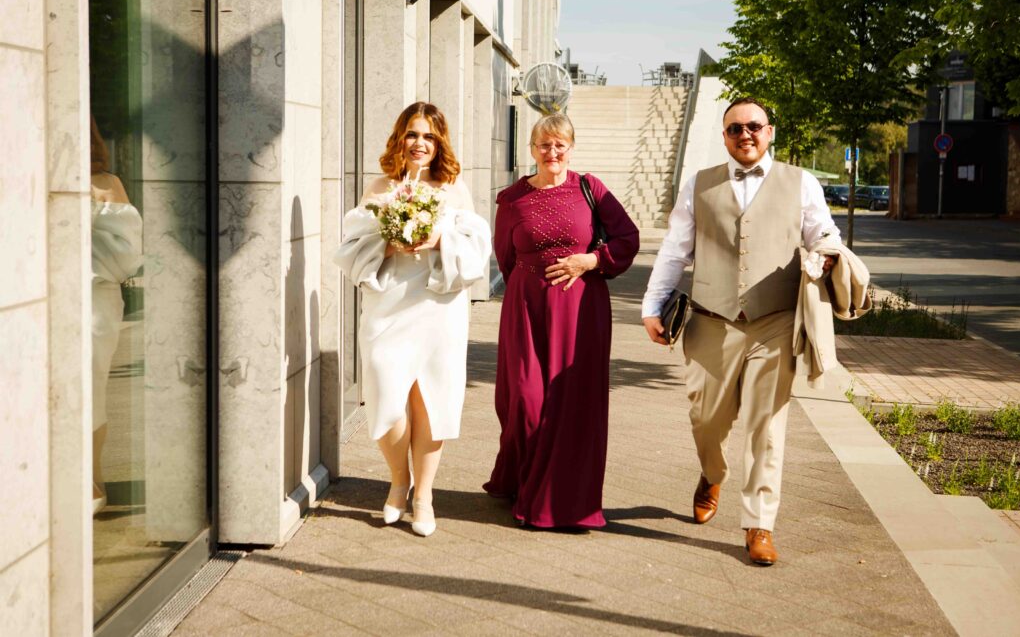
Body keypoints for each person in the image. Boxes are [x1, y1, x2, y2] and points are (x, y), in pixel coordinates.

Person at [641, 97, 839, 565]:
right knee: (706, 421)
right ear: (724, 136)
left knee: (765, 428)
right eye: (734, 129)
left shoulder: (801, 182)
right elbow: (674, 251)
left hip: (774, 324)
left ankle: (759, 524)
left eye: (754, 126)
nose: (745, 134)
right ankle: (712, 474)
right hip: (711, 322)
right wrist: (652, 305)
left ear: (770, 131)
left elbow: (824, 233)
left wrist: (827, 253)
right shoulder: (699, 184)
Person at [334, 102, 490, 537]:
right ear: (400, 138)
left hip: (438, 307)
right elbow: (349, 249)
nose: (420, 143)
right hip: (389, 304)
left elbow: (477, 252)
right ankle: (397, 479)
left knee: (431, 401)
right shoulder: (379, 186)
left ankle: (423, 495)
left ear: (439, 143)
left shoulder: (454, 188)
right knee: (385, 394)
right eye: (413, 134)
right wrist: (390, 241)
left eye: (429, 136)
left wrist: (437, 235)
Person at [484, 113, 640, 528]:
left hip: (581, 310)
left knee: (573, 404)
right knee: (525, 400)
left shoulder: (591, 189)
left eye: (560, 145)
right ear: (532, 149)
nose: (552, 153)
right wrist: (530, 282)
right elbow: (504, 255)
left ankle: (556, 502)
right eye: (543, 145)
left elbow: (628, 238)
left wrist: (589, 260)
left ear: (571, 147)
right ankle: (524, 476)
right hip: (526, 308)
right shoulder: (511, 199)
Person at [90, 116, 144, 515]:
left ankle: (92, 479)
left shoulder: (108, 183)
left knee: (89, 388)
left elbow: (128, 256)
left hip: (94, 299)